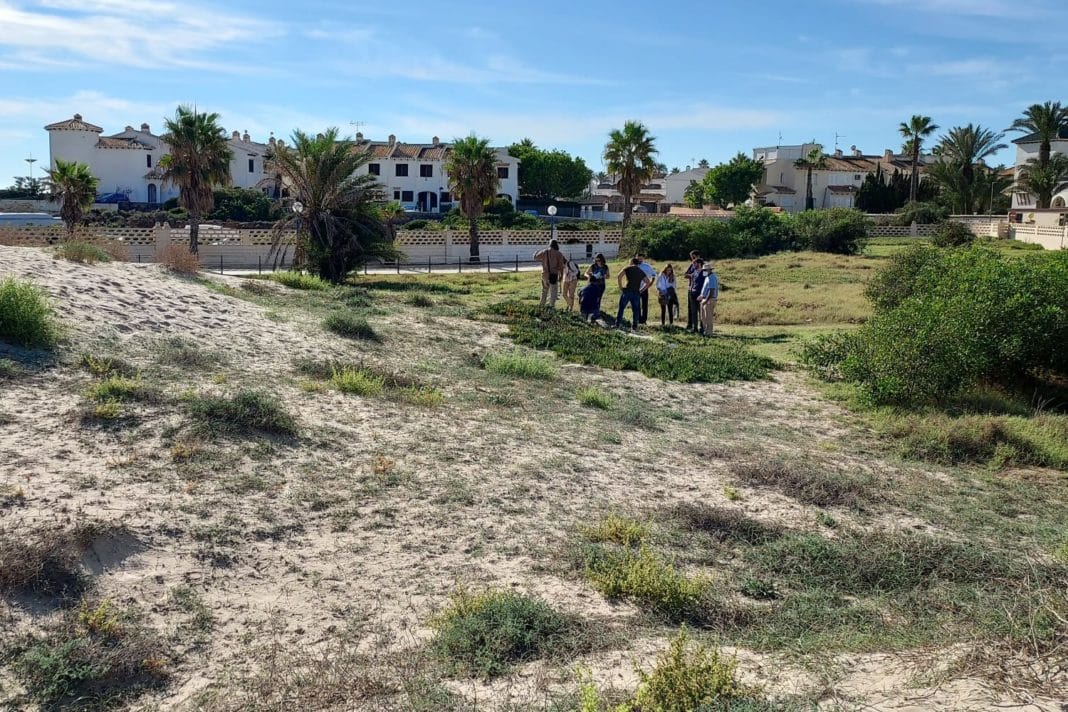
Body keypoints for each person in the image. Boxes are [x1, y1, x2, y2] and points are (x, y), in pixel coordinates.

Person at [615, 257, 652, 330]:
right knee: (635, 310)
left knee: (621, 308)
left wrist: (621, 287)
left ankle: (617, 324)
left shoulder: (628, 268)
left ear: (632, 262)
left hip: (627, 290)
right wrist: (641, 290)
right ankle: (635, 326)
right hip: (636, 292)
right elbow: (648, 282)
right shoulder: (641, 271)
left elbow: (619, 276)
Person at [533, 240, 566, 308]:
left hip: (544, 275)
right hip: (553, 275)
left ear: (549, 245)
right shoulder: (559, 254)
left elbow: (535, 257)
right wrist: (561, 276)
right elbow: (561, 267)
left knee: (544, 291)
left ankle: (541, 306)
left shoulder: (545, 251)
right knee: (553, 292)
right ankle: (551, 306)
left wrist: (536, 251)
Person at [579, 253, 609, 322]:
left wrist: (604, 276)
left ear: (602, 260)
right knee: (590, 298)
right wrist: (590, 276)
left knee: (598, 298)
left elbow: (608, 276)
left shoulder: (605, 267)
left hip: (601, 284)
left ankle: (596, 312)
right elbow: (586, 273)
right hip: (592, 283)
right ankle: (589, 311)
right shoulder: (593, 266)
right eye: (596, 260)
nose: (597, 261)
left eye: (599, 260)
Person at [698, 262, 719, 336]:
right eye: (703, 270)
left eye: (705, 270)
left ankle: (709, 333)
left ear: (709, 270)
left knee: (708, 317)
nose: (703, 271)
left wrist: (705, 300)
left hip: (709, 300)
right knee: (704, 317)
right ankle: (706, 331)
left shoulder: (712, 277)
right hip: (705, 299)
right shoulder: (707, 277)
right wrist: (701, 296)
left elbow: (711, 291)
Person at [636, 256, 657, 325]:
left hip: (644, 288)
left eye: (641, 258)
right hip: (636, 288)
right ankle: (638, 319)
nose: (639, 259)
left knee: (645, 304)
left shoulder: (647, 266)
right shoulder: (634, 265)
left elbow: (654, 275)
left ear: (643, 259)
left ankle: (644, 320)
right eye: (638, 258)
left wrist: (651, 283)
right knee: (637, 304)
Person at [686, 258, 706, 332]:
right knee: (693, 312)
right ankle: (695, 328)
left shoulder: (704, 272)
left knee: (701, 312)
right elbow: (692, 282)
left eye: (695, 263)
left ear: (699, 264)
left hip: (700, 294)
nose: (693, 265)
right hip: (693, 293)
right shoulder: (694, 272)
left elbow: (707, 282)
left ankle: (702, 328)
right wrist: (690, 290)